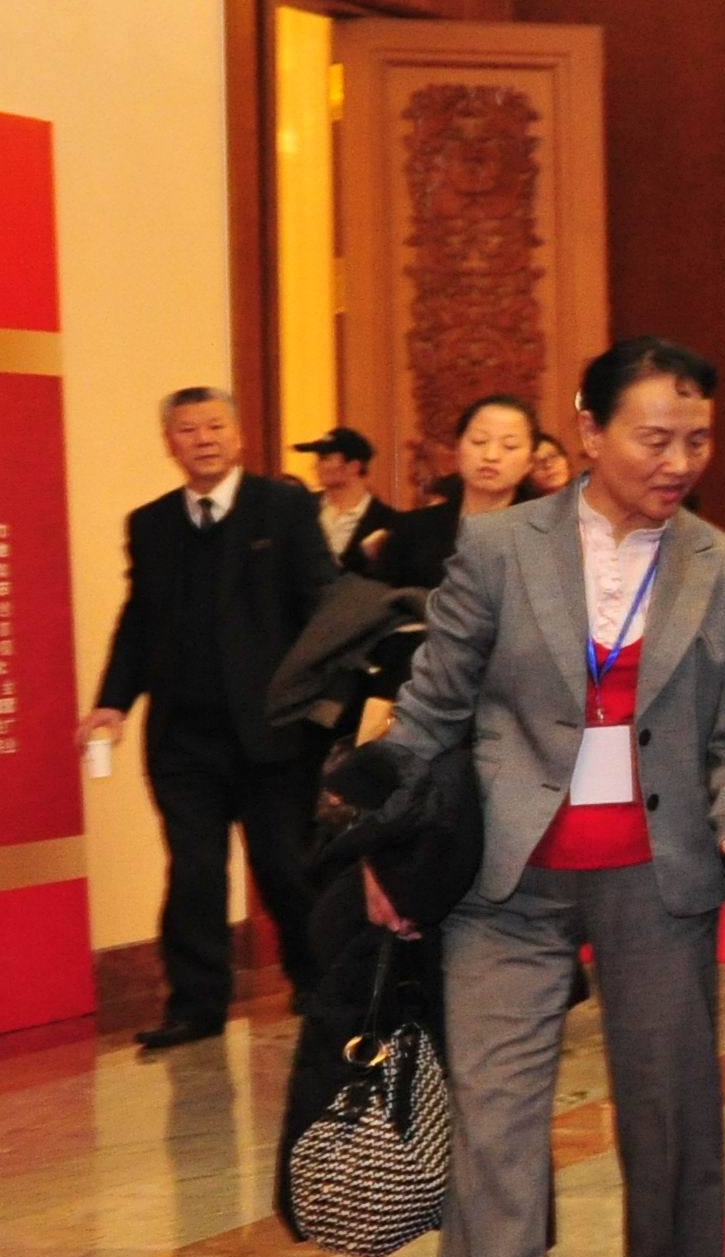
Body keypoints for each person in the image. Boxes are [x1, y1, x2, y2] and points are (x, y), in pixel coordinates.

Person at [367, 338, 725, 1257]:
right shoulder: (500, 548)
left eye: (697, 440)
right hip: (506, 884)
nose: (678, 461)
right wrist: (383, 846)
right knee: (496, 1135)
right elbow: (431, 708)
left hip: (658, 879)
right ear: (591, 430)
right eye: (655, 438)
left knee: (670, 1119)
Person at [85, 388, 337, 1052]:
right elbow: (139, 620)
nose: (203, 439)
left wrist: (324, 704)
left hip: (274, 731)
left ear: (239, 435)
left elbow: (323, 605)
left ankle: (318, 981)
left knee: (284, 865)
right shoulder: (151, 523)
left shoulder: (282, 509)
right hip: (183, 737)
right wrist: (112, 701)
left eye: (215, 426)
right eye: (188, 430)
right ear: (170, 443)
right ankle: (195, 1007)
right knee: (194, 871)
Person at [361, 396, 543, 592]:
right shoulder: (412, 530)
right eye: (479, 441)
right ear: (457, 449)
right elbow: (382, 602)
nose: (491, 455)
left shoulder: (548, 536)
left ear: (530, 462)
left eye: (509, 446)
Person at [299, 426, 403, 571]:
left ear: (353, 467)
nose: (316, 466)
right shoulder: (303, 508)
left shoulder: (386, 521)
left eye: (325, 459)